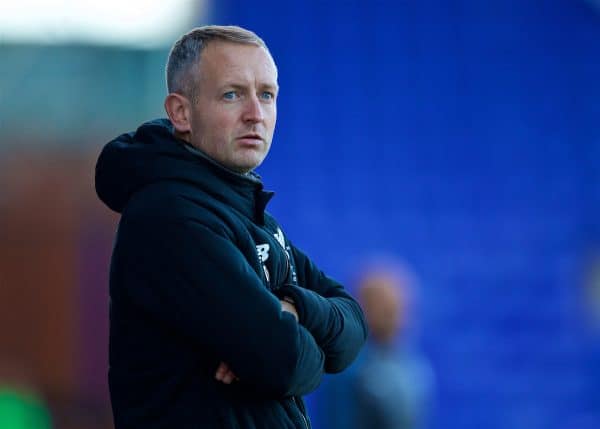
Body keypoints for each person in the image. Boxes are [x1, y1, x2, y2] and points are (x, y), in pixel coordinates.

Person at [94, 25, 367, 429]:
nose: (256, 114)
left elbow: (353, 329)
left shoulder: (250, 216)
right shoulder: (170, 218)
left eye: (267, 95)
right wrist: (283, 343)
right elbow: (286, 362)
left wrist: (293, 308)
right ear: (181, 112)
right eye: (232, 94)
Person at [321, 262, 434, 429]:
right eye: (387, 308)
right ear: (363, 307)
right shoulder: (346, 368)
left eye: (399, 307)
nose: (396, 315)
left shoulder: (412, 366)